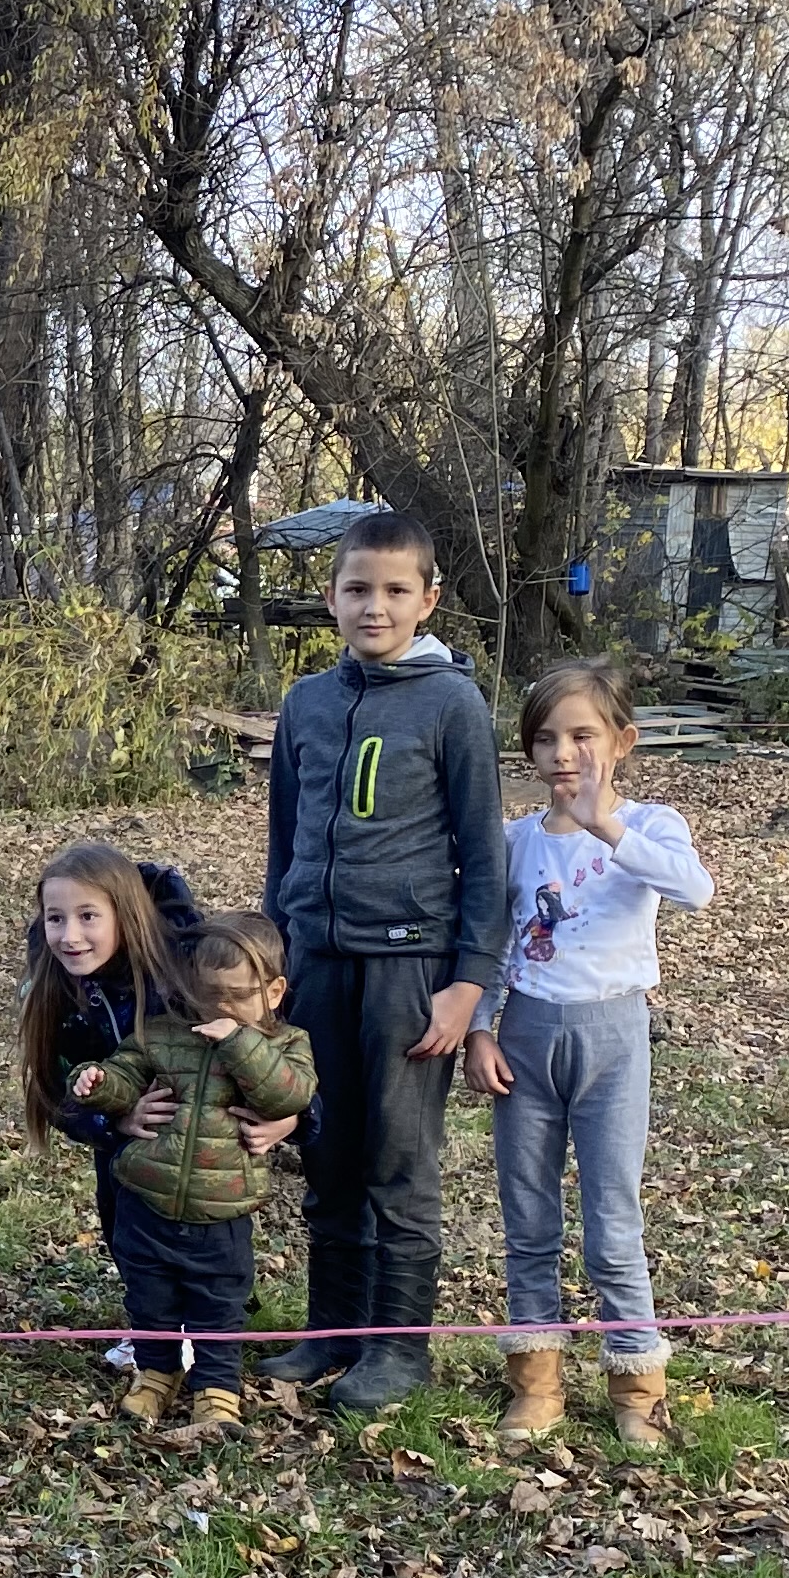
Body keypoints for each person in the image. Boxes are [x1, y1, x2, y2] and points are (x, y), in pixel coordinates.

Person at [257, 508, 506, 1412]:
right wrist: (274, 960)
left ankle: (400, 1348)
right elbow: (284, 843)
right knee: (326, 1146)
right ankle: (333, 1334)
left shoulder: (453, 706)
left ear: (427, 600)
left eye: (396, 591)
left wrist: (468, 987)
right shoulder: (308, 705)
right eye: (358, 589)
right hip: (317, 964)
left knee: (399, 1160)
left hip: (410, 970)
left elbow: (485, 857)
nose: (376, 606)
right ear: (332, 598)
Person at [467, 656, 715, 1449]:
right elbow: (491, 941)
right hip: (527, 1038)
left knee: (612, 1218)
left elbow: (693, 890)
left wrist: (606, 824)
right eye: (546, 739)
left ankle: (637, 1383)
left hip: (614, 1038)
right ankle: (536, 1382)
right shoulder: (516, 841)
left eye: (582, 735)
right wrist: (478, 1029)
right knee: (529, 1215)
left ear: (623, 741)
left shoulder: (650, 827)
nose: (564, 753)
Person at [65, 914, 317, 1441]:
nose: (218, 1008)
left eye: (236, 996)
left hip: (221, 1210)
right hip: (147, 1198)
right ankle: (156, 1371)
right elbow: (127, 1074)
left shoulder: (288, 1044)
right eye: (205, 995)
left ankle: (218, 1386)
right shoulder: (163, 1034)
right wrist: (99, 1084)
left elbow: (288, 1095)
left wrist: (239, 1043)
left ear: (273, 991)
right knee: (148, 1294)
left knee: (218, 1303)